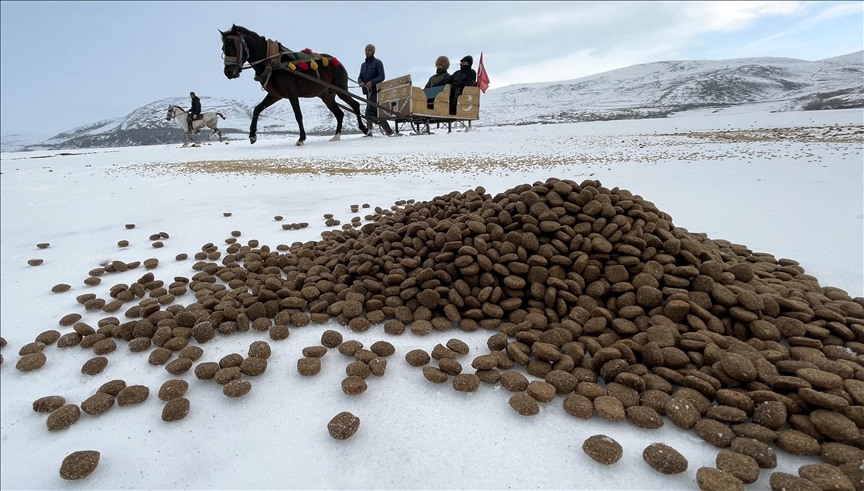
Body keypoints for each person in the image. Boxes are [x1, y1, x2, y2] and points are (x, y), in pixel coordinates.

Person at [357, 44, 385, 120]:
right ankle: (388, 131)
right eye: (366, 50)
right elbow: (360, 77)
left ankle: (369, 130)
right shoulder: (363, 65)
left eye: (369, 50)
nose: (367, 52)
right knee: (375, 113)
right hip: (367, 92)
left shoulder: (378, 63)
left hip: (376, 91)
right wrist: (361, 82)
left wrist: (372, 82)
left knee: (368, 113)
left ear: (373, 52)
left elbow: (382, 77)